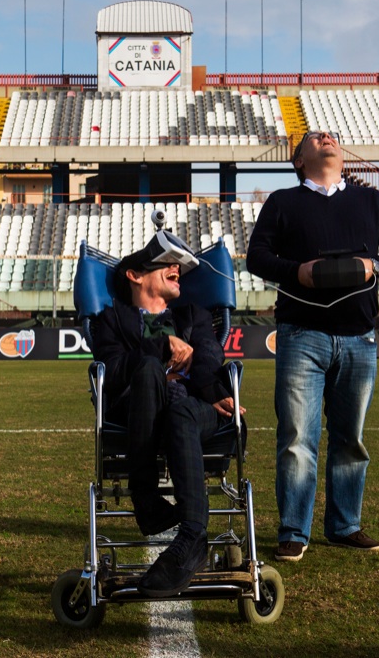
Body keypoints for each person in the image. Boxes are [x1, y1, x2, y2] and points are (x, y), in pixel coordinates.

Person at [246, 131, 379, 561]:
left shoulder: (371, 201)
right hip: (301, 334)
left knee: (350, 438)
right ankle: (293, 531)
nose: (326, 138)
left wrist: (371, 264)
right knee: (297, 436)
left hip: (359, 337)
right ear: (299, 160)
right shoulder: (282, 202)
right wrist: (297, 272)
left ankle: (344, 525)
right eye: (314, 139)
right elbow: (256, 257)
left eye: (331, 137)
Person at [91, 236, 245, 597]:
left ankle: (191, 538)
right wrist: (160, 348)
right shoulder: (112, 320)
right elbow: (111, 372)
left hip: (195, 410)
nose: (177, 268)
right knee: (146, 368)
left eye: (179, 265)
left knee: (179, 412)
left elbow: (208, 358)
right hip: (137, 415)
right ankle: (147, 500)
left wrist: (214, 392)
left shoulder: (194, 315)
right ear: (135, 275)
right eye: (165, 263)